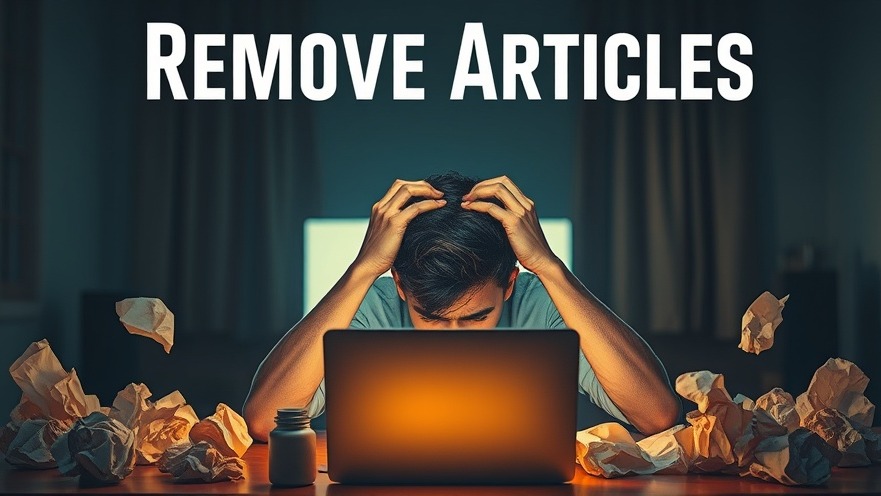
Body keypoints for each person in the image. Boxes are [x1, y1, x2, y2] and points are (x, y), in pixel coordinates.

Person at [243, 172, 680, 442]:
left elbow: (657, 416)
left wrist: (549, 266)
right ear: (400, 287)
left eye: (476, 316)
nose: (453, 338)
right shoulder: (368, 307)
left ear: (510, 285)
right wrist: (361, 270)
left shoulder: (547, 305)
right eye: (431, 317)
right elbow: (264, 422)